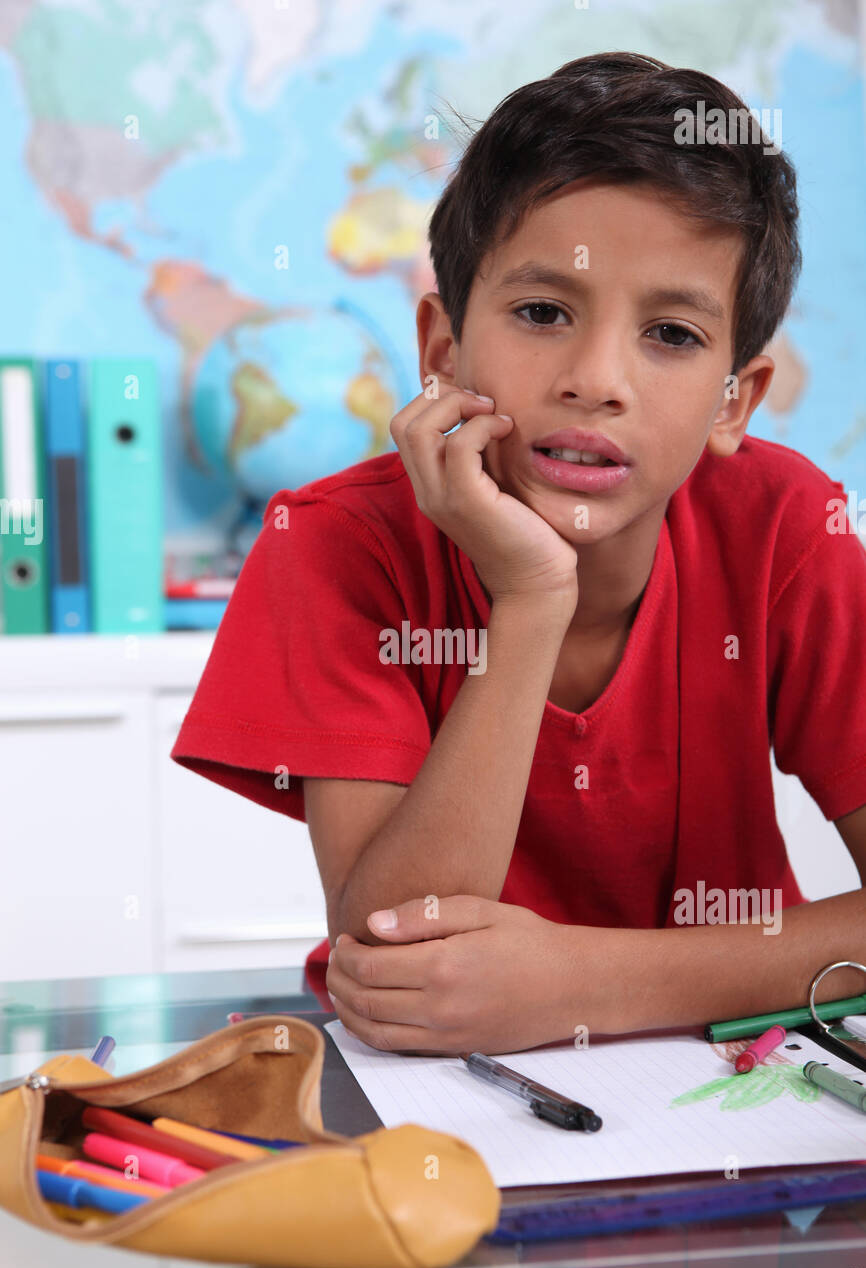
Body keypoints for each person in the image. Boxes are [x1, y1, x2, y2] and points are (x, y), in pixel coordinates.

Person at [172, 52, 866, 1056]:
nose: (594, 380)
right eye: (542, 313)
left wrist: (587, 981)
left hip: (733, 1073)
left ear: (734, 401)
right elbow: (394, 946)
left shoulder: (789, 532)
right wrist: (533, 595)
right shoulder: (332, 544)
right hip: (448, 1095)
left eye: (669, 334)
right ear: (442, 352)